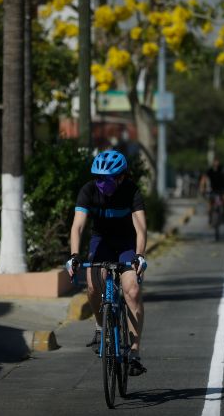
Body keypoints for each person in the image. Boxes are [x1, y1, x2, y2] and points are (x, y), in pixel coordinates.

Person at [66, 150, 148, 376]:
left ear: (121, 177)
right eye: (98, 177)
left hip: (126, 244)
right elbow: (78, 226)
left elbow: (141, 229)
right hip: (100, 241)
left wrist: (140, 255)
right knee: (93, 286)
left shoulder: (131, 191)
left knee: (132, 290)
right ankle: (101, 327)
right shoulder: (88, 190)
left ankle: (134, 352)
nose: (101, 183)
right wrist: (74, 255)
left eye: (107, 178)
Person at [199, 158, 224, 224]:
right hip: (213, 190)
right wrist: (202, 188)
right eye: (215, 162)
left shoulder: (222, 170)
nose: (216, 164)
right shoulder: (210, 171)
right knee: (210, 204)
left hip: (221, 189)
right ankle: (210, 218)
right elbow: (204, 179)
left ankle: (223, 214)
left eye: (217, 162)